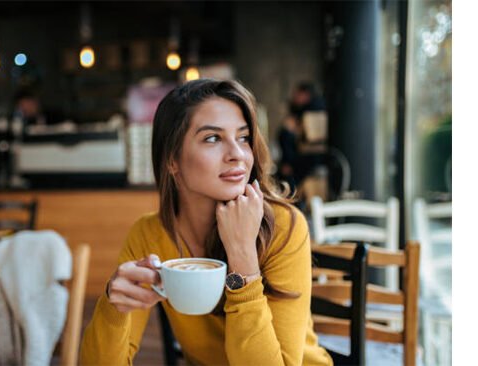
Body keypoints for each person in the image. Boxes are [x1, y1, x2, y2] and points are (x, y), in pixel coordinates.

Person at [79, 79, 332, 365]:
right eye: (212, 138)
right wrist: (114, 307)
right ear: (172, 159)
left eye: (244, 137)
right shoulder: (150, 234)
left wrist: (242, 256)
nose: (237, 153)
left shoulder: (284, 227)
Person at [276, 82, 327, 194]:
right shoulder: (303, 110)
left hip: (308, 157)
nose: (294, 97)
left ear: (305, 94)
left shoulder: (313, 109)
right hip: (304, 156)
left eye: (297, 94)